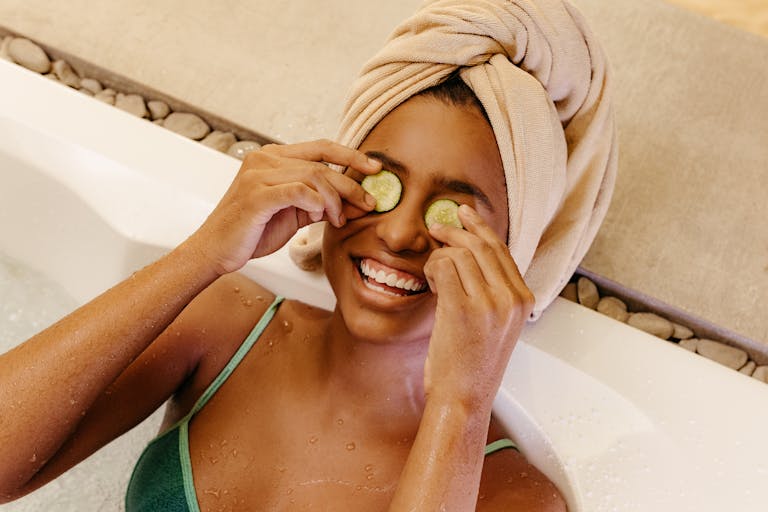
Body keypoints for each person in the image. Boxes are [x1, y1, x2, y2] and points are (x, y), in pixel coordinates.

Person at [0, 0, 616, 510]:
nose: (400, 233)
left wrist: (462, 404)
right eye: (381, 183)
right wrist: (204, 253)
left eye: (452, 213)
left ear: (512, 253)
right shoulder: (227, 328)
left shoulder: (510, 494)